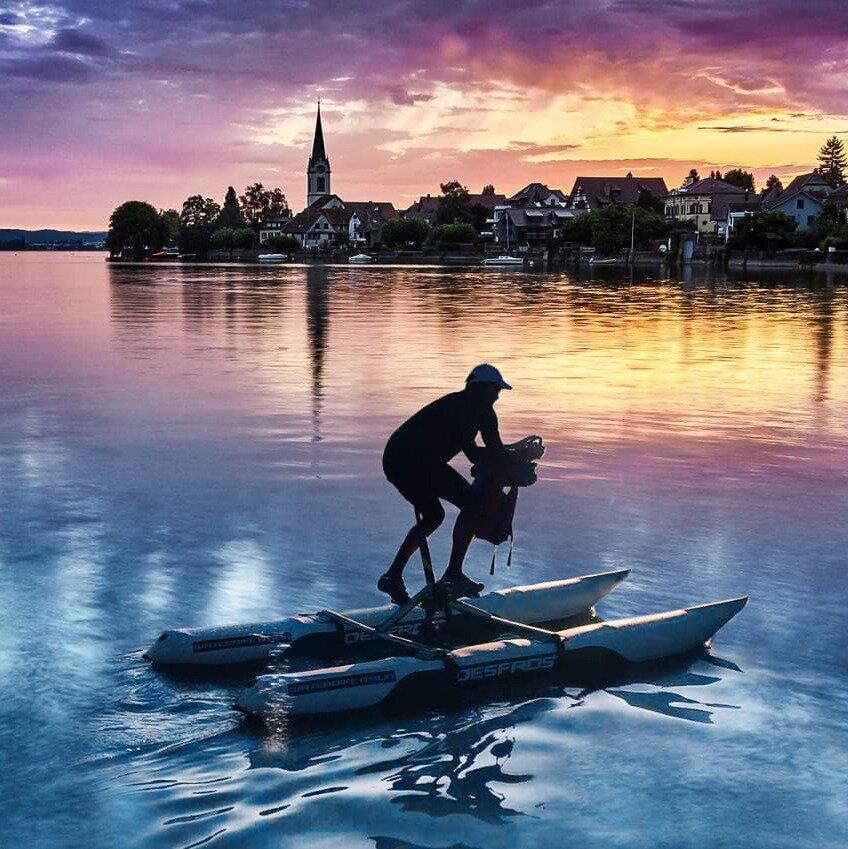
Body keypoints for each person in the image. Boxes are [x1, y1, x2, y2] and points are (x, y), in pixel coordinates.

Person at [378, 363, 510, 604]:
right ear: (479, 389)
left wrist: (512, 454)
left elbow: (487, 452)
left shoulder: (479, 411)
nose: (498, 395)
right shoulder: (463, 408)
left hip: (405, 460)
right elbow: (484, 454)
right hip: (406, 460)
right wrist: (511, 458)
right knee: (472, 503)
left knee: (434, 516)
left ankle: (393, 575)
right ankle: (453, 575)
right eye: (494, 390)